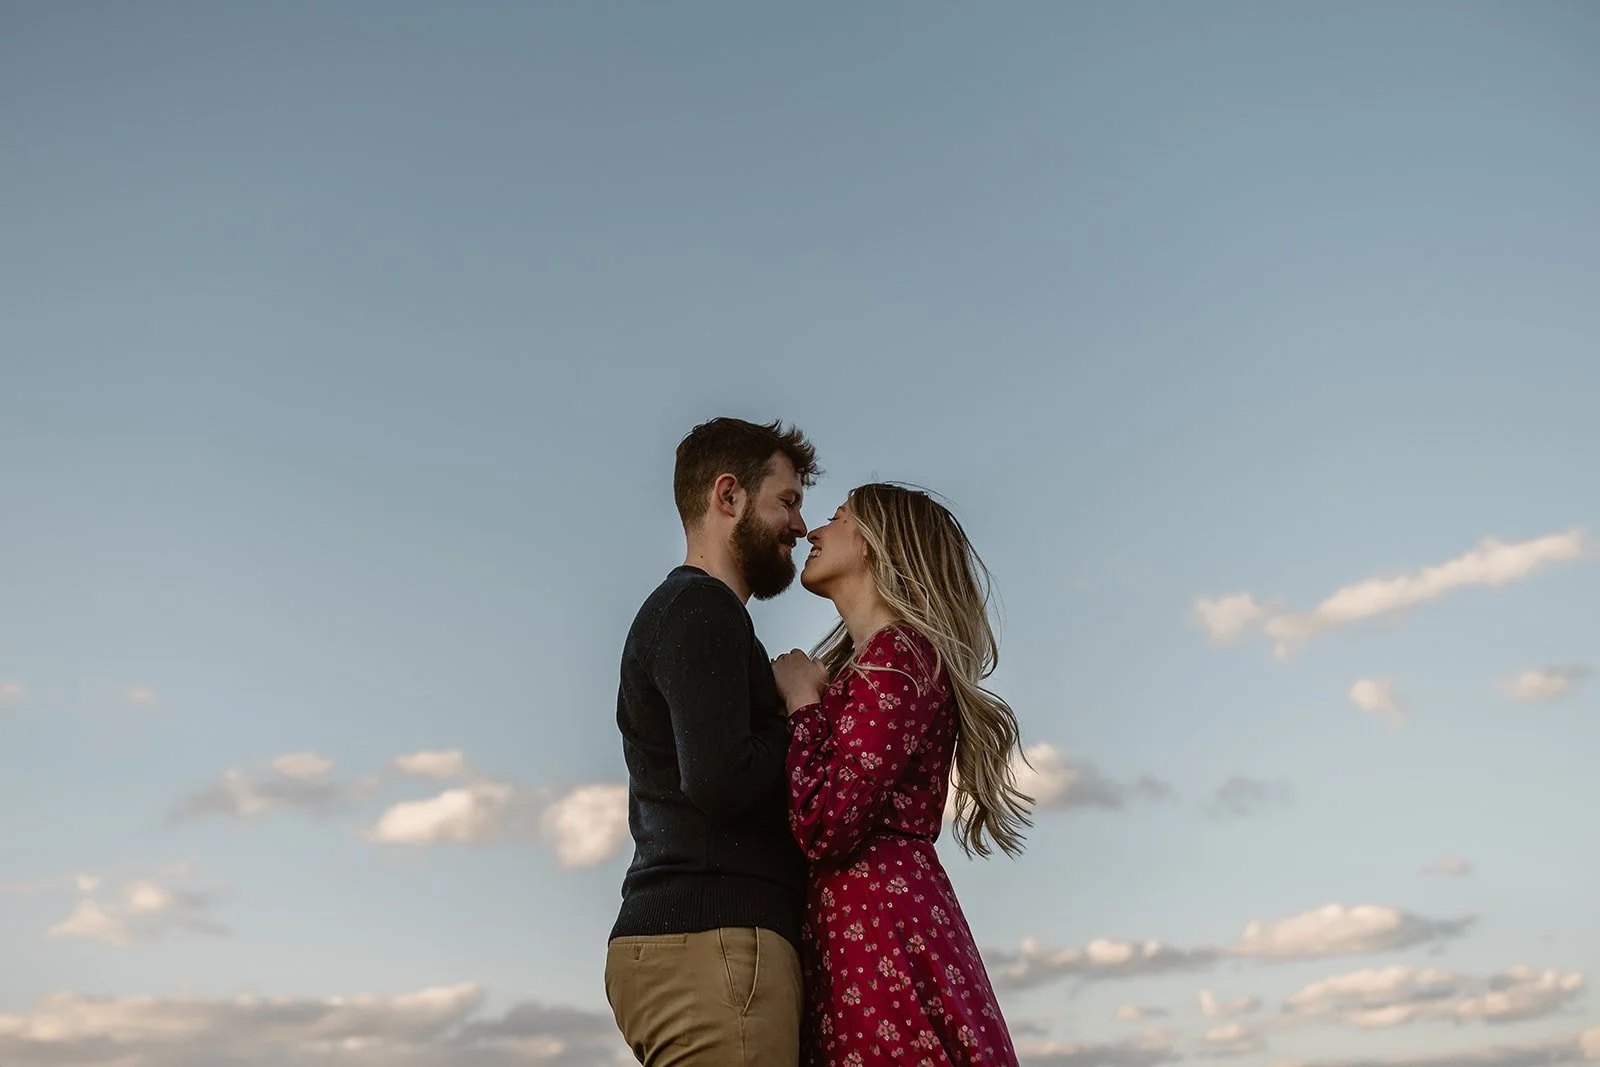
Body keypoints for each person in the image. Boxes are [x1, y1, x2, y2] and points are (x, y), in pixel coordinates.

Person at [772, 483, 1029, 1067]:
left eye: (837, 517)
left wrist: (802, 703)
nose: (814, 531)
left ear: (873, 543)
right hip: (872, 916)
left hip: (878, 922)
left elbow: (827, 824)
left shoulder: (899, 657)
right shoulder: (878, 662)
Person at [606, 416, 821, 1067]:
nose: (801, 525)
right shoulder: (703, 610)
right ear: (728, 495)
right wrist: (796, 707)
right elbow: (721, 779)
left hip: (700, 945)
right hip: (719, 944)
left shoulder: (692, 613)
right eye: (787, 501)